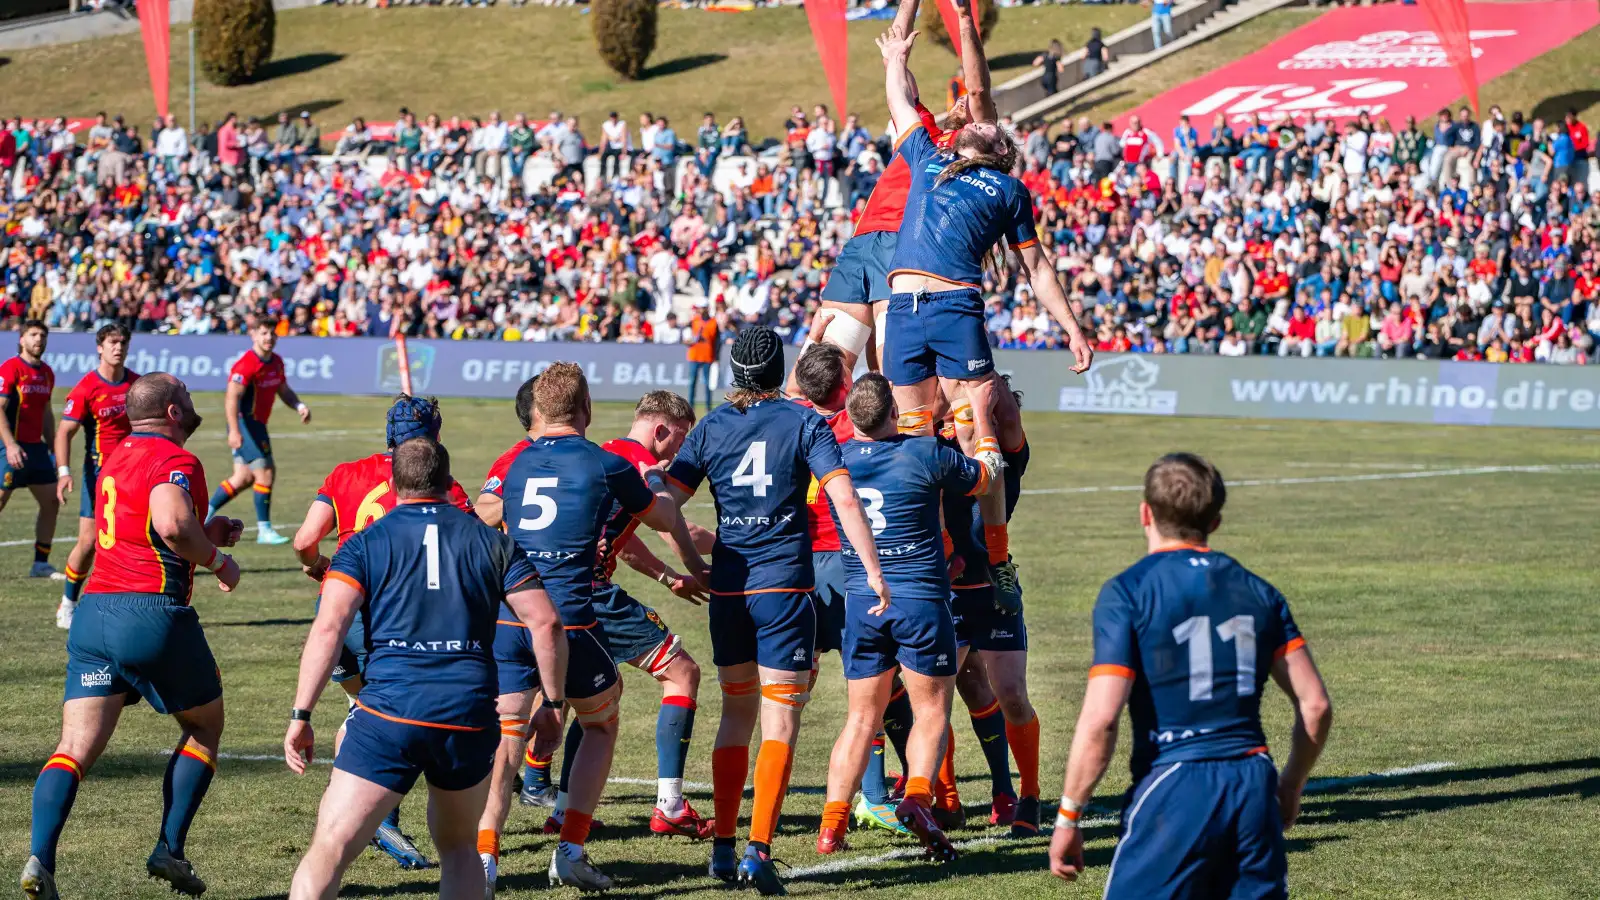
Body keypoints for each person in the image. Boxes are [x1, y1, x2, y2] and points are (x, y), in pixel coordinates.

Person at [657, 325, 888, 895]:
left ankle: (723, 846)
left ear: (734, 370)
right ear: (777, 369)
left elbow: (666, 504)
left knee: (736, 715)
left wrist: (693, 563)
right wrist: (875, 570)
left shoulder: (711, 425)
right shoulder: (806, 421)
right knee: (780, 719)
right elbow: (844, 497)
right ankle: (759, 849)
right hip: (783, 590)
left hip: (731, 591)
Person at [282, 438, 564, 900]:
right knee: (458, 851)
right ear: (450, 484)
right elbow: (546, 622)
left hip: (390, 712)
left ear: (393, 486)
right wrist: (550, 703)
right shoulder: (493, 542)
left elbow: (330, 627)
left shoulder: (365, 543)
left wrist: (302, 715)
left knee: (330, 846)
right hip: (468, 714)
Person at [1046, 453, 1334, 898]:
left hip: (1173, 783)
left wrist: (1069, 816)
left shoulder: (1128, 592)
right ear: (1215, 522)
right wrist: (1290, 785)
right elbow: (1315, 705)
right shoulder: (1260, 591)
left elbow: (1102, 719)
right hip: (1252, 780)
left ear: (1145, 513)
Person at [876, 22, 1091, 606]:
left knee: (980, 429)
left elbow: (1038, 269)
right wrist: (896, 56)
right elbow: (899, 101)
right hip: (903, 308)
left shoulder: (1007, 189)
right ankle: (919, 551)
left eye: (988, 126)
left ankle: (996, 556)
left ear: (999, 150)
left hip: (953, 304)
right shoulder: (925, 153)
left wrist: (1071, 328)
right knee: (913, 439)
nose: (976, 119)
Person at [480, 363, 706, 893]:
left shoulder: (515, 461)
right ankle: (570, 847)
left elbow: (482, 510)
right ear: (585, 411)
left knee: (509, 734)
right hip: (570, 622)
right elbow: (663, 518)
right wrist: (656, 487)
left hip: (509, 618)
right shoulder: (608, 465)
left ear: (537, 412)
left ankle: (486, 859)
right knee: (602, 718)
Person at [22, 374, 243, 900]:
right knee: (205, 726)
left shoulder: (115, 456)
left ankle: (40, 860)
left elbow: (137, 528)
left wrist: (204, 532)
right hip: (151, 614)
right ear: (172, 412)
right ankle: (169, 847)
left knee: (73, 749)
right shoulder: (176, 459)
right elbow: (169, 525)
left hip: (95, 614)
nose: (193, 403)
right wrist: (218, 559)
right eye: (186, 397)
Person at [289, 395, 481, 872]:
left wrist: (319, 568)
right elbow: (473, 535)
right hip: (391, 618)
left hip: (340, 612)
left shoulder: (345, 472)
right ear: (435, 435)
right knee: (387, 716)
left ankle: (358, 811)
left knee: (363, 709)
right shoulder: (443, 484)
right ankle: (380, 818)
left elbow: (303, 540)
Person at [817, 374, 988, 861]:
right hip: (919, 600)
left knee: (860, 719)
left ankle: (831, 826)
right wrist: (987, 439)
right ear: (893, 412)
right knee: (931, 711)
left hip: (862, 603)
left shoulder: (836, 460)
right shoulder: (924, 452)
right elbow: (981, 478)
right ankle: (917, 798)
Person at [593, 391, 717, 838]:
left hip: (548, 590)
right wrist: (714, 559)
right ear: (661, 430)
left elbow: (621, 540)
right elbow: (673, 526)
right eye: (679, 441)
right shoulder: (637, 465)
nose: (679, 453)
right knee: (682, 674)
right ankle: (669, 804)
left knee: (594, 694)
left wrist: (669, 579)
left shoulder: (606, 452)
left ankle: (559, 805)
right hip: (591, 593)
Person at [52, 324, 138, 631]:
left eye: (123, 342)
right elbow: (65, 432)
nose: (119, 347)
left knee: (138, 539)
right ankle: (68, 604)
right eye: (113, 342)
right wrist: (64, 473)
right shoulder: (88, 387)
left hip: (134, 476)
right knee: (88, 543)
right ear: (100, 347)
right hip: (100, 477)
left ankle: (130, 606)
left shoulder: (137, 385)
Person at [207, 320, 312, 544]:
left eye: (272, 333)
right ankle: (264, 531)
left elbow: (283, 390)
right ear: (253, 335)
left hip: (258, 425)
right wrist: (234, 431)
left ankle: (203, 515)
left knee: (243, 477)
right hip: (245, 424)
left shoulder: (276, 362)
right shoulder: (246, 364)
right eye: (264, 333)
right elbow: (231, 398)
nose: (269, 338)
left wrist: (299, 406)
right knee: (265, 472)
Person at [0, 320, 60, 579]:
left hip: (37, 450)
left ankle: (40, 564)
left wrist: (54, 448)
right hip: (9, 447)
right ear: (22, 339)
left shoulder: (47, 372)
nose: (39, 339)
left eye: (42, 335)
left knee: (52, 502)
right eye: (33, 335)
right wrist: (10, 445)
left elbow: (46, 413)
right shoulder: (10, 368)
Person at [685, 306, 719, 416]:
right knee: (692, 382)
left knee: (707, 383)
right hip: (694, 355)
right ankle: (690, 406)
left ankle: (708, 406)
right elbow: (686, 336)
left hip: (707, 356)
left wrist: (716, 357)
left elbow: (717, 342)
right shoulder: (694, 320)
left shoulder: (714, 323)